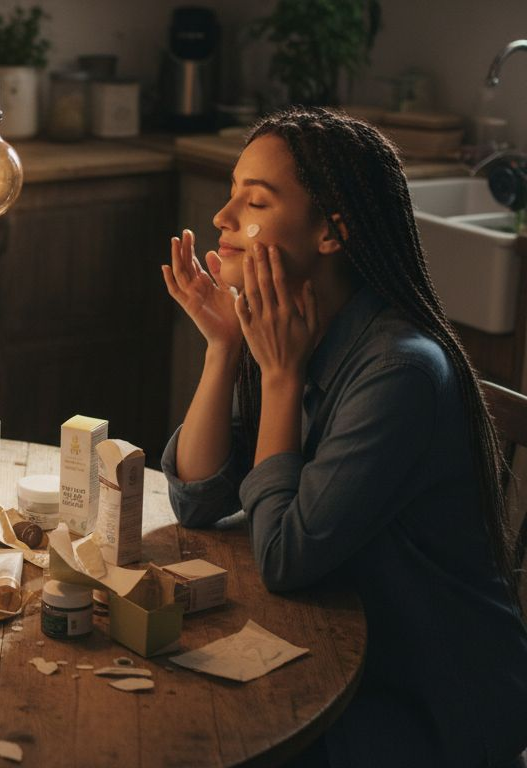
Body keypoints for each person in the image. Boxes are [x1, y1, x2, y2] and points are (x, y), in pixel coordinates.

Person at [161, 106, 527, 767]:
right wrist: (222, 349)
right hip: (337, 652)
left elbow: (284, 558)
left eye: (257, 201)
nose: (222, 218)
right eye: (232, 194)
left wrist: (277, 378)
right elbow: (197, 497)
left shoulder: (399, 370)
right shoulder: (297, 329)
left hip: (431, 696)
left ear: (333, 231)